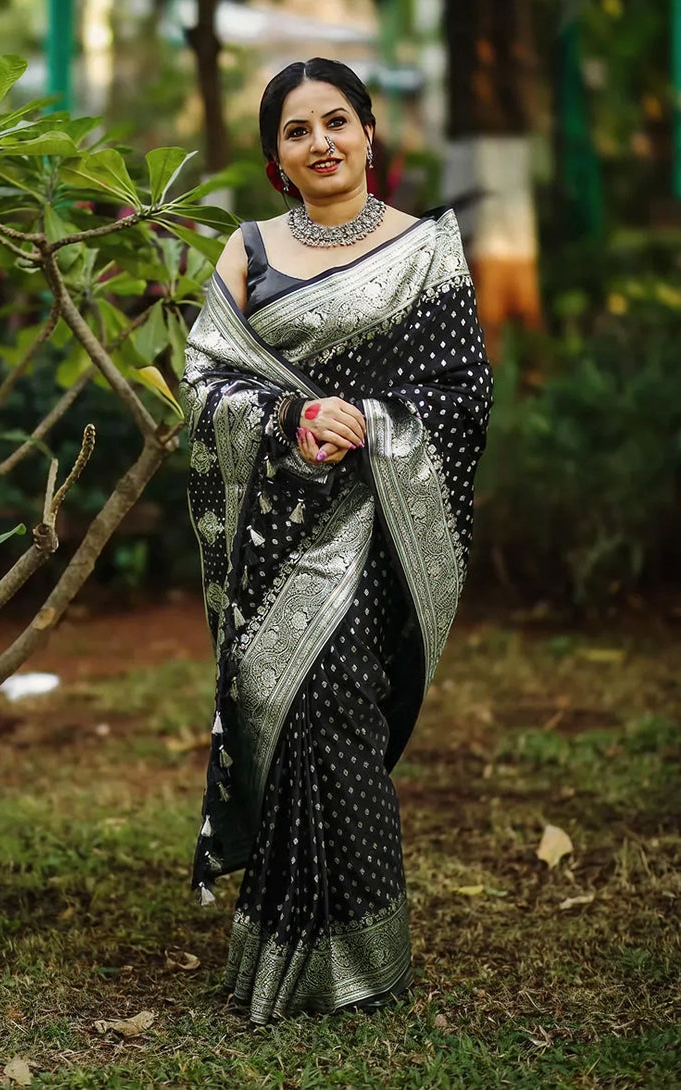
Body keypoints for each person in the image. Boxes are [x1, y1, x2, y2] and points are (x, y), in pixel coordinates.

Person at [181, 58, 492, 1023]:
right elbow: (203, 383)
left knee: (338, 718)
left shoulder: (427, 251)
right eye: (296, 130)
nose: (320, 143)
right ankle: (284, 952)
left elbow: (463, 393)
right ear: (276, 155)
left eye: (336, 122)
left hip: (376, 531)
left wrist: (370, 419)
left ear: (368, 133)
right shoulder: (249, 250)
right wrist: (289, 419)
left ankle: (363, 964)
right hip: (277, 534)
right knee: (281, 712)